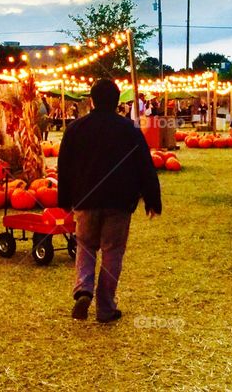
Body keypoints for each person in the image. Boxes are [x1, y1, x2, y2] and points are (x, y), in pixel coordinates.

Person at [59, 79, 161, 323]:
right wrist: (152, 199)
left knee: (85, 247)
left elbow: (64, 167)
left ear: (91, 100)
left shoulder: (75, 129)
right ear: (118, 102)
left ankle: (84, 289)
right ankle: (105, 308)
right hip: (119, 201)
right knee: (112, 252)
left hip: (85, 200)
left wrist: (64, 199)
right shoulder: (129, 130)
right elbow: (144, 166)